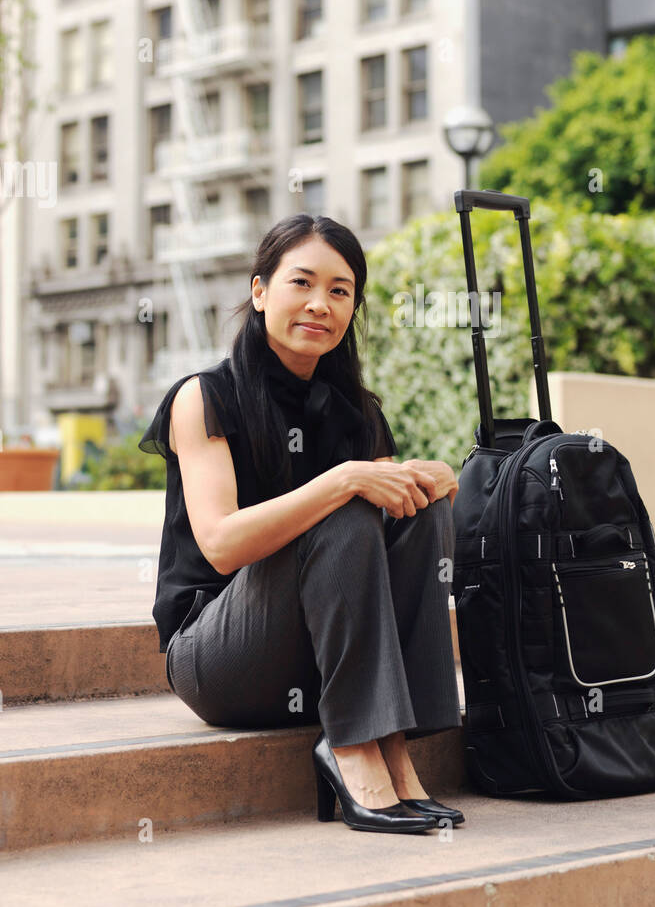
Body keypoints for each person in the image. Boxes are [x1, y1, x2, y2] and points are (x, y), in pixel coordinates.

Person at [138, 214, 464, 835]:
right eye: (302, 283)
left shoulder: (359, 414)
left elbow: (393, 530)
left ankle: (393, 745)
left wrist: (436, 482)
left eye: (341, 292)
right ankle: (350, 746)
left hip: (318, 665)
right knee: (344, 509)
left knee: (420, 515)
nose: (321, 304)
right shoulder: (205, 396)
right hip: (220, 656)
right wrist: (340, 480)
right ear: (260, 292)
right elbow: (222, 544)